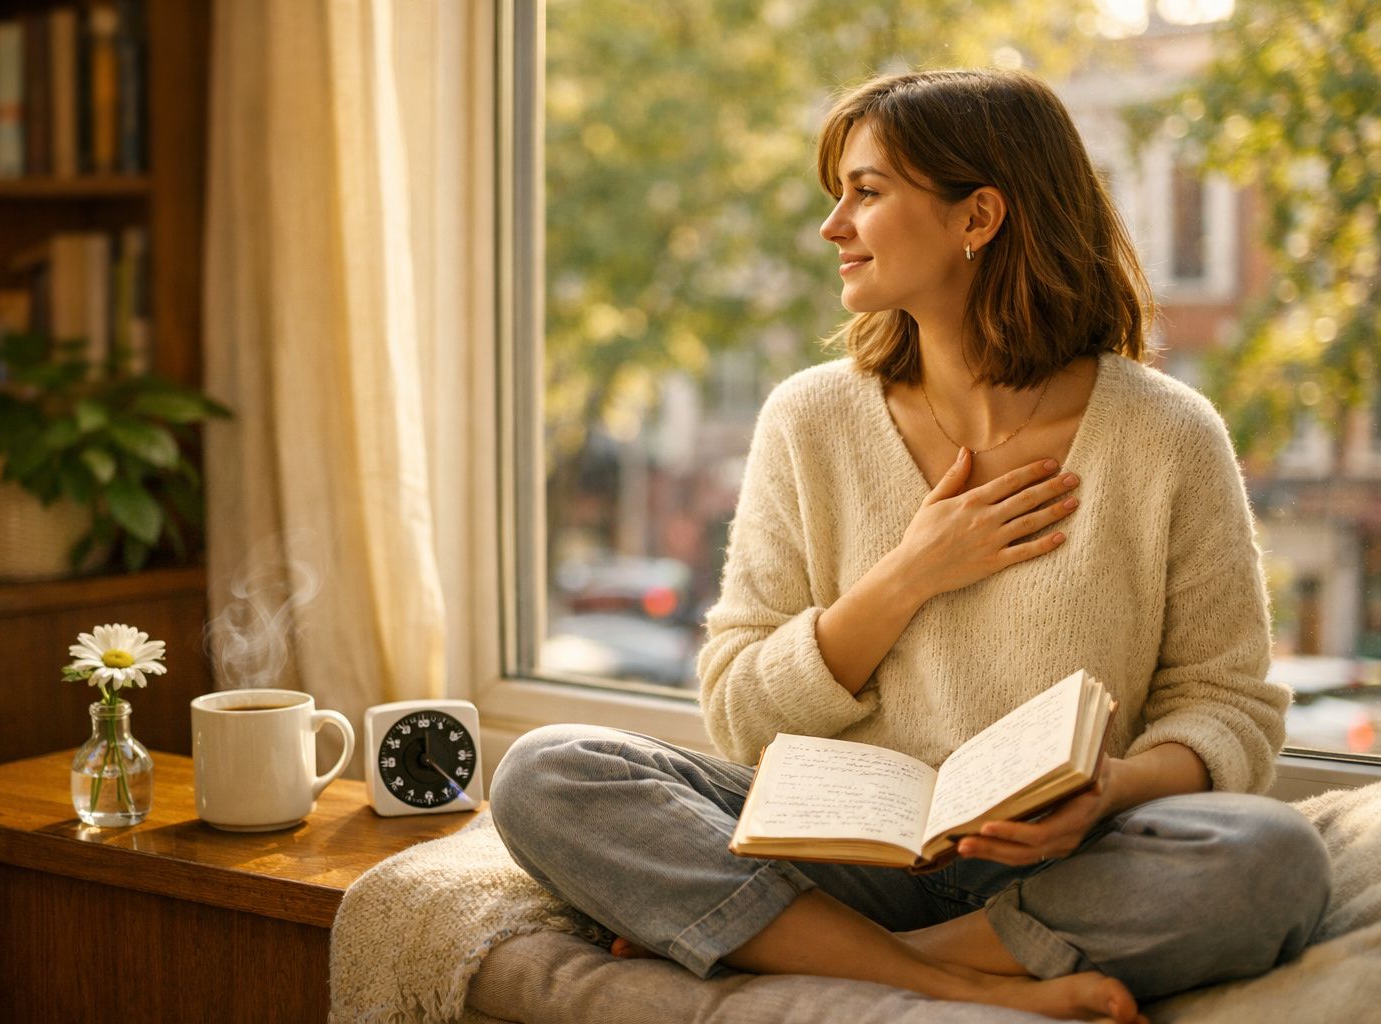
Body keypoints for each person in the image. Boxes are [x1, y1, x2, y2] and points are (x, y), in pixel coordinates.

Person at [492, 68, 1329, 1023]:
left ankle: (826, 954)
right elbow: (737, 708)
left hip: (1072, 861)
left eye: (867, 191)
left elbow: (1227, 708)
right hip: (841, 852)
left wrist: (1105, 790)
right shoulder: (809, 420)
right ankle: (939, 980)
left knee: (1275, 860)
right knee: (550, 771)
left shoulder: (1168, 436)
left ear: (978, 217)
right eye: (836, 194)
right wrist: (909, 575)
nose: (833, 226)